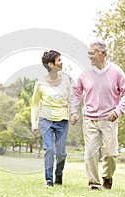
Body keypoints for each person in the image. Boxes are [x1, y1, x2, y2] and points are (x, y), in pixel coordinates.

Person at [70, 40, 125, 190]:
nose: (90, 56)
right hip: (90, 119)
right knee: (90, 152)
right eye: (89, 53)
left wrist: (118, 110)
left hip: (109, 119)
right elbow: (77, 92)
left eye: (93, 52)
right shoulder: (85, 73)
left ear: (103, 54)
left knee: (110, 153)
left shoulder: (116, 71)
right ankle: (94, 183)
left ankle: (107, 177)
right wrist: (73, 111)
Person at [31, 50, 71, 187]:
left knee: (61, 153)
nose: (62, 62)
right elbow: (35, 104)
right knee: (49, 149)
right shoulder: (40, 83)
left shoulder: (66, 80)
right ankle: (49, 180)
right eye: (59, 60)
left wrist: (73, 113)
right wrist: (34, 123)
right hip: (45, 119)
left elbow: (71, 99)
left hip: (63, 120)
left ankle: (58, 173)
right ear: (51, 64)